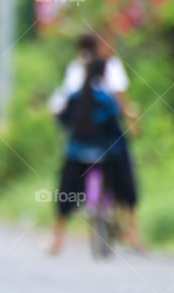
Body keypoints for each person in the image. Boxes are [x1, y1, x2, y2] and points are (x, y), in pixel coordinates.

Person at [49, 31, 144, 250]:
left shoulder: (75, 73)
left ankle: (58, 236)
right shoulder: (109, 79)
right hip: (108, 147)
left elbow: (62, 113)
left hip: (78, 147)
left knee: (66, 186)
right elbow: (120, 107)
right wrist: (133, 124)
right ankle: (132, 230)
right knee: (126, 176)